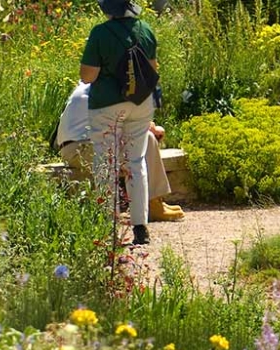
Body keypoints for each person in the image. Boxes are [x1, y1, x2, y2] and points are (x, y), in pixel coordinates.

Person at [80, 0, 159, 244]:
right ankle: (140, 228)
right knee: (136, 162)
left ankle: (108, 228)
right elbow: (153, 69)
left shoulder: (100, 33)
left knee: (106, 163)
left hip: (107, 106)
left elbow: (87, 76)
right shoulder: (145, 29)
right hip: (140, 104)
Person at [56, 82, 184, 223]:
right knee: (147, 139)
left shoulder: (94, 84)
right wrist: (151, 128)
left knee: (143, 139)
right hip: (83, 147)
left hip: (72, 148)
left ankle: (151, 202)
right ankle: (152, 205)